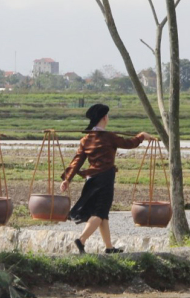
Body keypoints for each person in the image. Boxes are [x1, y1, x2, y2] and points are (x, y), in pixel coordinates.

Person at [59, 104, 150, 254]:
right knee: (100, 213)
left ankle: (109, 247)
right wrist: (141, 136)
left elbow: (77, 161)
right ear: (104, 118)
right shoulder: (109, 137)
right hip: (105, 178)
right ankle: (81, 240)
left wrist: (67, 179)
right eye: (107, 115)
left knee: (103, 214)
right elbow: (129, 144)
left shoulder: (86, 140)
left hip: (92, 180)